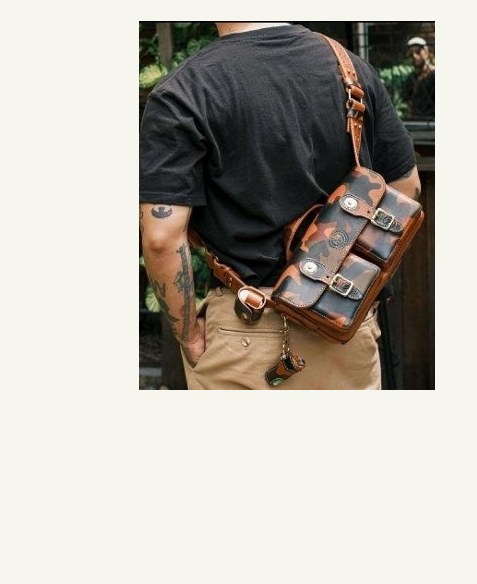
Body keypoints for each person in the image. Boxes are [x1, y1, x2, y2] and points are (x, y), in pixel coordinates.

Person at [139, 22, 421, 390]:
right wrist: (346, 273)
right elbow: (406, 188)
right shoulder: (350, 69)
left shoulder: (185, 89)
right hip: (344, 319)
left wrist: (190, 336)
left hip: (246, 327)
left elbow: (161, 238)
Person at [403, 36, 435, 119]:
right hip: (416, 121)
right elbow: (409, 104)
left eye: (418, 52)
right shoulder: (410, 79)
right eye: (411, 53)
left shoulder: (434, 75)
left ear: (426, 52)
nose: (414, 56)